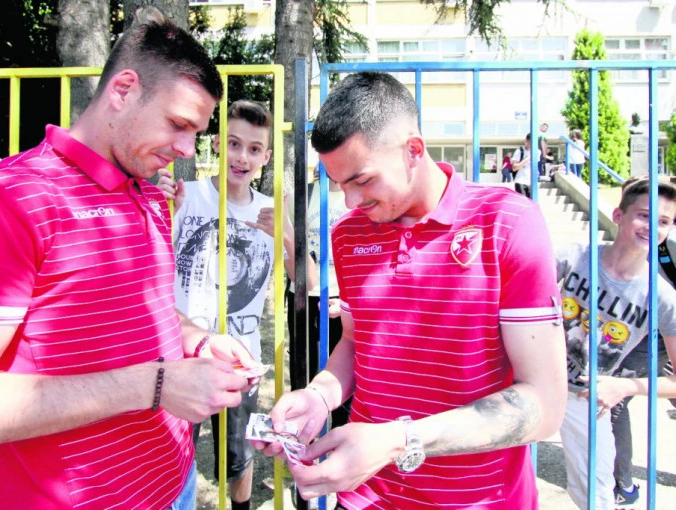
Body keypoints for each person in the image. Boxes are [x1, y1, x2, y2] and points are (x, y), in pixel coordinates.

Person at [0, 19, 260, 510]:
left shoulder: (147, 194)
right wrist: (156, 386)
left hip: (174, 485)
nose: (186, 150)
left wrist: (199, 340)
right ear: (123, 90)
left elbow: (148, 311)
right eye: (179, 124)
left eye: (196, 133)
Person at [254, 71, 567, 509]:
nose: (351, 201)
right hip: (366, 497)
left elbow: (545, 406)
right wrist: (319, 396)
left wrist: (398, 441)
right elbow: (356, 343)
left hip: (475, 500)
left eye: (362, 180)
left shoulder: (507, 223)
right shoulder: (348, 235)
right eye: (339, 184)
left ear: (413, 150)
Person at [158, 99, 316, 510]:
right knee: (172, 454)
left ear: (266, 156)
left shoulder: (270, 208)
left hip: (240, 359)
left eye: (253, 148)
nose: (241, 156)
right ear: (217, 144)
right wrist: (162, 209)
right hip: (182, 353)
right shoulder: (186, 196)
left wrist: (286, 235)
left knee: (238, 459)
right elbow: (147, 263)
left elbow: (311, 282)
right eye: (233, 144)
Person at [556, 177, 676, 510]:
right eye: (644, 215)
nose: (652, 227)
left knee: (597, 497)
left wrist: (624, 386)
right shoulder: (572, 257)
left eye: (663, 221)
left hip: (585, 396)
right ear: (619, 215)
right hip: (535, 381)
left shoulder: (662, 298)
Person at [608, 176, 676, 508]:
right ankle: (623, 483)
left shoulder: (667, 244)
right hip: (644, 332)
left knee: (615, 400)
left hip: (660, 334)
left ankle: (622, 485)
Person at [285, 165, 351, 428]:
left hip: (344, 296)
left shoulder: (357, 196)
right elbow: (288, 250)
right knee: (304, 370)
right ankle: (303, 437)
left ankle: (340, 435)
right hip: (304, 295)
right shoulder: (302, 196)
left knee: (344, 375)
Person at [512, 133, 533, 198]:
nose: (531, 144)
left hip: (531, 182)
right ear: (526, 140)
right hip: (520, 181)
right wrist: (526, 159)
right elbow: (514, 168)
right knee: (523, 202)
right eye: (530, 142)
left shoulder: (537, 152)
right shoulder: (519, 151)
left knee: (531, 202)